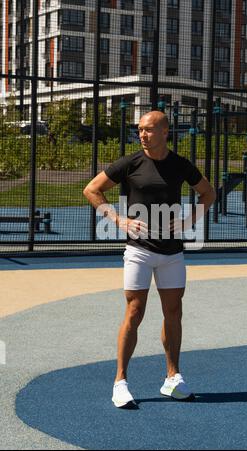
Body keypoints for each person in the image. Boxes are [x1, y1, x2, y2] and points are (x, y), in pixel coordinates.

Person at [83, 111, 216, 409]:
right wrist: (117, 219)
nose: (142, 134)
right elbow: (91, 190)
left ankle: (173, 379)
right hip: (139, 251)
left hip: (172, 253)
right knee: (135, 311)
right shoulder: (130, 163)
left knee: (174, 311)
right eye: (139, 129)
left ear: (165, 132)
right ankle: (120, 382)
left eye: (148, 129)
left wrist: (189, 220)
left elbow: (208, 193)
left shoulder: (180, 165)